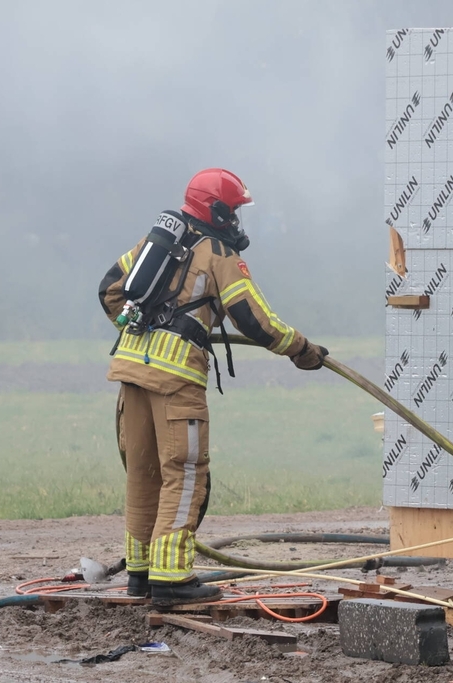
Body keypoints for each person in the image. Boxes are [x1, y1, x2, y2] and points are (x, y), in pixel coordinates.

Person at [97, 168, 328, 606]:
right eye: (235, 210)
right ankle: (173, 581)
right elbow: (253, 319)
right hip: (176, 379)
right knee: (183, 475)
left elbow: (110, 291)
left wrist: (139, 332)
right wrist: (302, 349)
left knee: (142, 476)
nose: (237, 219)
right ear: (217, 210)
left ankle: (141, 576)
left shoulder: (157, 243)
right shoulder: (218, 253)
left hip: (131, 373)